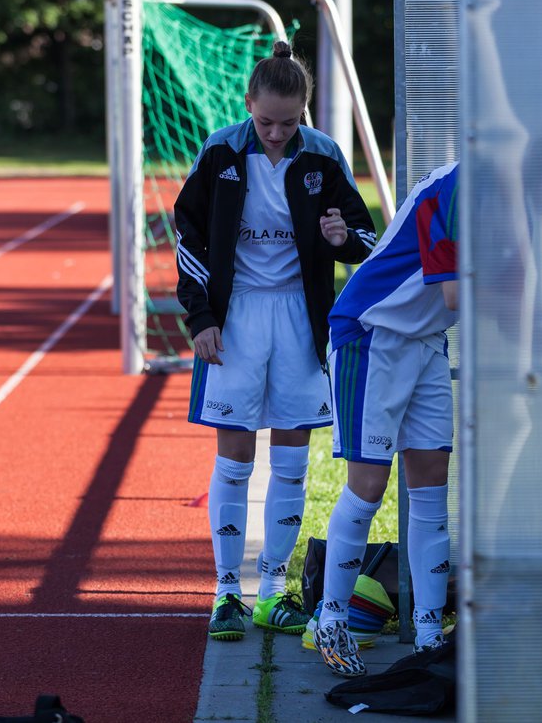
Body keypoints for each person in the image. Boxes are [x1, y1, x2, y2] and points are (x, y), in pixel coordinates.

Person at [174, 40, 377, 642]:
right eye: (266, 121)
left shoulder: (323, 154)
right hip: (234, 317)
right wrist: (201, 317)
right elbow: (186, 235)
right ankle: (226, 593)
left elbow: (368, 242)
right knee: (234, 458)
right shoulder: (220, 150)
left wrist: (342, 238)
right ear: (248, 106)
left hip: (299, 319)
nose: (277, 133)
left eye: (290, 122)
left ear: (305, 112)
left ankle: (273, 589)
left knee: (291, 461)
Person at [312, 159, 459, 677]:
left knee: (431, 486)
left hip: (426, 339)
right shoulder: (458, 189)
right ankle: (331, 620)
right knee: (369, 484)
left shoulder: (514, 193)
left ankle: (426, 634)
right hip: (373, 334)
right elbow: (459, 294)